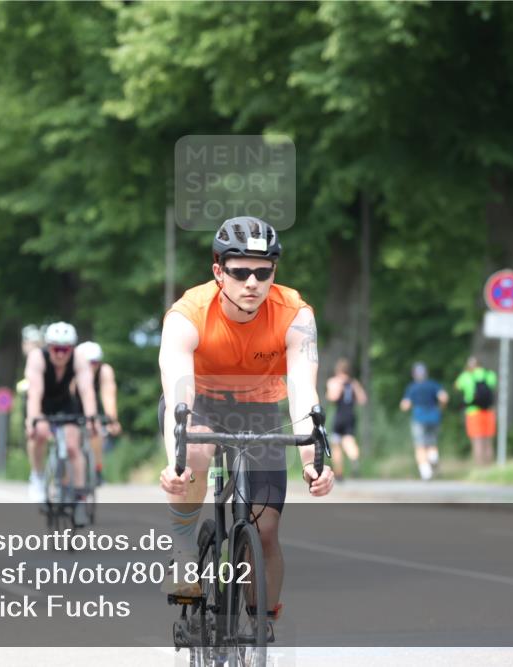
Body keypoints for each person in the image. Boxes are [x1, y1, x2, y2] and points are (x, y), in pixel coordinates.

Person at [158, 216, 334, 634]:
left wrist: (314, 460)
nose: (252, 282)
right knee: (196, 448)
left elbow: (303, 393)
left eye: (263, 271)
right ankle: (184, 545)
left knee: (267, 531)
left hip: (259, 410)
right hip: (199, 404)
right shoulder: (187, 315)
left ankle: (260, 627)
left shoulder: (295, 315)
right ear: (218, 272)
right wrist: (177, 463)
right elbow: (179, 398)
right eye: (240, 271)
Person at [24, 321, 99, 525]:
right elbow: (35, 392)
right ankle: (38, 477)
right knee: (37, 434)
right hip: (41, 401)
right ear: (49, 347)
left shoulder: (79, 359)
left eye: (65, 349)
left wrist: (91, 417)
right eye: (56, 349)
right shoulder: (37, 358)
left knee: (74, 447)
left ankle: (80, 499)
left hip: (65, 403)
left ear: (72, 348)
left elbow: (86, 391)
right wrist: (34, 420)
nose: (60, 354)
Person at [75, 341, 123, 485]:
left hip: (93, 406)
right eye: (87, 363)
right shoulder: (72, 370)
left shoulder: (104, 371)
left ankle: (97, 469)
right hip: (73, 404)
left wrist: (112, 421)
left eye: (95, 362)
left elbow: (109, 397)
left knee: (96, 430)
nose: (91, 367)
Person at [400, 362, 448, 480]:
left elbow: (405, 405)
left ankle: (425, 472)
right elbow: (444, 397)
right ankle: (433, 458)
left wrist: (406, 407)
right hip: (434, 416)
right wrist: (441, 408)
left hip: (419, 417)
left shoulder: (412, 387)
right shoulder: (433, 385)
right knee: (432, 442)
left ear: (414, 374)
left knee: (420, 445)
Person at [325, 358, 367, 481]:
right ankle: (354, 459)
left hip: (339, 416)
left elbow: (332, 397)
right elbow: (362, 400)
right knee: (349, 440)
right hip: (351, 415)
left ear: (338, 370)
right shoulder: (353, 383)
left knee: (336, 444)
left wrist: (332, 390)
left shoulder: (334, 381)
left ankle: (339, 473)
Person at [454, 356, 497, 465]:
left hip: (473, 412)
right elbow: (493, 385)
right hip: (488, 411)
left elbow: (456, 387)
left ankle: (479, 467)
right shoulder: (489, 374)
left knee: (477, 440)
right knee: (488, 441)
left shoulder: (466, 375)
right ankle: (489, 467)